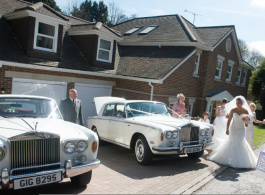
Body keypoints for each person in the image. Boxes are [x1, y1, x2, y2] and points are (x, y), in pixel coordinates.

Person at [208, 96, 257, 168]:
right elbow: (229, 120)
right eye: (237, 103)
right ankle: (228, 158)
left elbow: (247, 122)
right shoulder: (233, 110)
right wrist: (227, 129)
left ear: (242, 103)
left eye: (239, 103)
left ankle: (240, 159)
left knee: (241, 142)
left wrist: (246, 120)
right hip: (233, 128)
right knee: (231, 142)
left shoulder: (245, 111)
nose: (238, 104)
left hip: (241, 129)